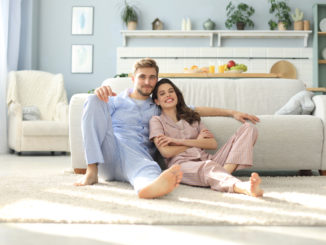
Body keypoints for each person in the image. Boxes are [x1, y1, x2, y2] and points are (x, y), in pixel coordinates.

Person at [75, 58, 260, 199]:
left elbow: (195, 110)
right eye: (142, 77)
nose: (147, 82)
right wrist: (99, 92)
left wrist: (232, 112)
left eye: (152, 77)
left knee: (149, 167)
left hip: (138, 160)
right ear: (133, 78)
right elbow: (94, 115)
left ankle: (149, 186)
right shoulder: (115, 101)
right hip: (112, 151)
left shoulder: (158, 106)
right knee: (92, 100)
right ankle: (91, 172)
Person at [149, 78, 263, 197]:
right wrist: (198, 141)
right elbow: (166, 152)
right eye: (162, 94)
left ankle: (221, 175)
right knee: (209, 167)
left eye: (171, 91)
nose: (168, 95)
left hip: (208, 159)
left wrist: (177, 141)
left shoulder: (191, 117)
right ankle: (241, 187)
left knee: (249, 129)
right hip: (183, 165)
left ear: (176, 94)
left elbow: (212, 144)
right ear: (157, 101)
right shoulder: (156, 121)